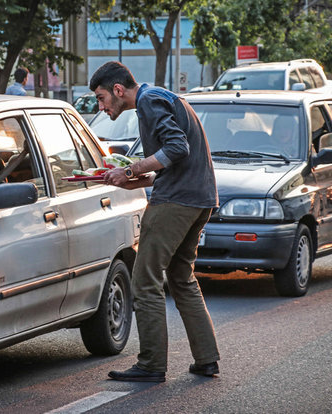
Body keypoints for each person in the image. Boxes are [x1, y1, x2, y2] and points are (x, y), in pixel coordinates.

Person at [90, 61, 220, 382]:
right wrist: (139, 180)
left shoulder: (148, 101)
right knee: (181, 277)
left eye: (102, 97)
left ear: (118, 90)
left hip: (175, 203)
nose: (101, 106)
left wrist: (130, 170)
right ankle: (207, 359)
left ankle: (151, 365)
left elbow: (177, 147)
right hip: (200, 198)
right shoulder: (160, 97)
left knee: (144, 280)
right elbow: (178, 161)